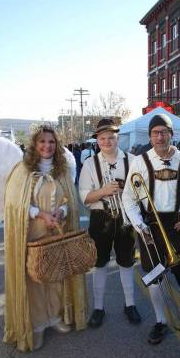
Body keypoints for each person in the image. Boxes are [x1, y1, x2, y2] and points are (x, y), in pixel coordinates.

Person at [122, 114, 180, 355]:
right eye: (155, 133)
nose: (160, 137)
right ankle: (160, 321)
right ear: (150, 136)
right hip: (149, 226)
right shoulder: (140, 162)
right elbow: (128, 198)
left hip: (175, 225)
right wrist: (139, 224)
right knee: (155, 279)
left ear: (172, 134)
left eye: (164, 132)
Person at [4, 125, 87, 352]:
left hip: (56, 233)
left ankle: (54, 317)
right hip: (32, 235)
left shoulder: (62, 171)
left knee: (55, 276)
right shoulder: (22, 171)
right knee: (35, 279)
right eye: (42, 142)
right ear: (34, 144)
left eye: (51, 142)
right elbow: (14, 203)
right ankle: (38, 325)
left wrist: (61, 213)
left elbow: (69, 202)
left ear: (56, 145)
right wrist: (39, 213)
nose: (47, 146)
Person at [79, 118, 141, 327]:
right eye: (103, 138)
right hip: (100, 218)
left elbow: (141, 192)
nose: (107, 141)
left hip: (125, 217)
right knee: (100, 263)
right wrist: (104, 191)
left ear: (118, 138)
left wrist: (127, 190)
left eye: (111, 137)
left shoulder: (132, 160)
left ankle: (130, 304)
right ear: (97, 140)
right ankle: (98, 307)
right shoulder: (89, 163)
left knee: (126, 262)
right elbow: (84, 197)